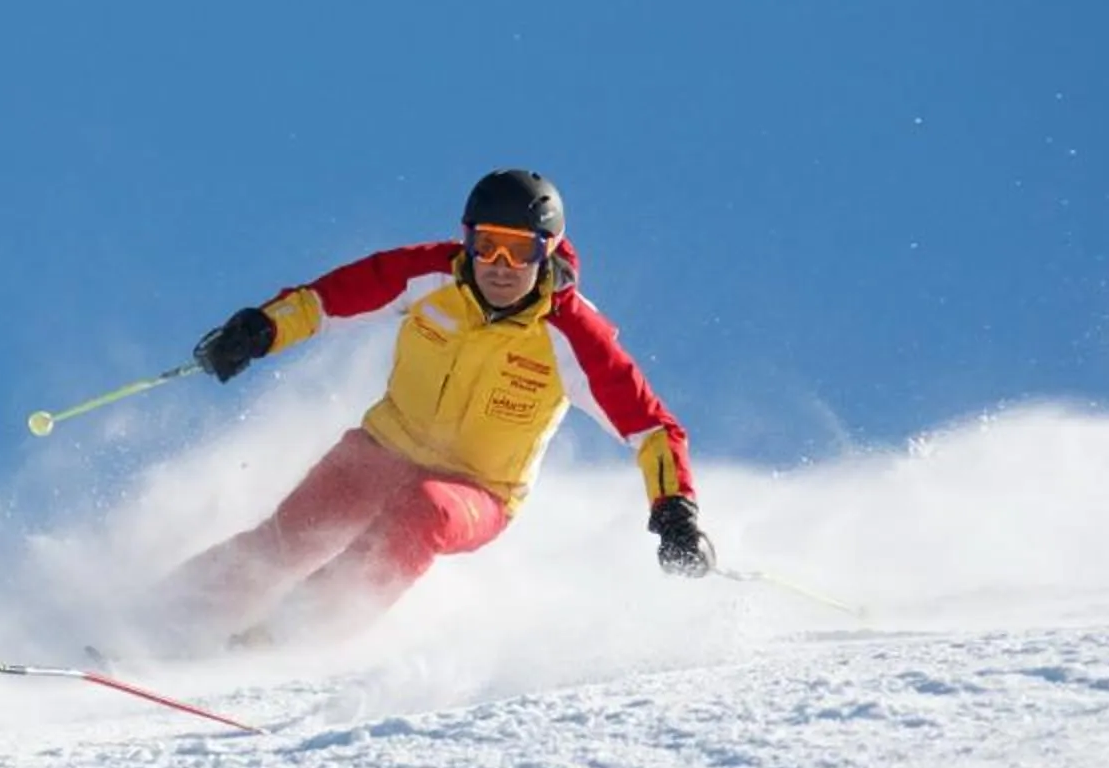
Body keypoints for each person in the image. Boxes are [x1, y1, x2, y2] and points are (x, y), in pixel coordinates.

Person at [153, 168, 709, 649]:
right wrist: (260, 330)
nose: (499, 265)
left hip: (477, 490)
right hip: (385, 447)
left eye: (520, 250)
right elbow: (325, 301)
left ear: (547, 250)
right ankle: (159, 620)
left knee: (420, 513)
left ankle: (277, 642)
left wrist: (674, 511)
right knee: (293, 532)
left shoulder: (572, 333)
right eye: (486, 244)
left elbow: (652, 428)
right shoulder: (430, 275)